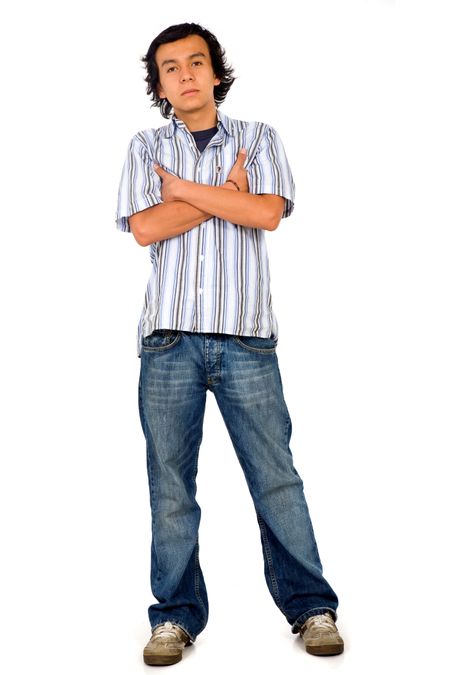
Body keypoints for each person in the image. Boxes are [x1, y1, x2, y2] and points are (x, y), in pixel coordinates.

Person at [115, 21, 344, 667]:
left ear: (216, 72)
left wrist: (185, 190)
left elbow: (268, 213)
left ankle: (311, 606)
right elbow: (145, 227)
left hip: (246, 339)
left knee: (277, 478)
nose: (185, 74)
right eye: (170, 67)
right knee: (170, 485)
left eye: (196, 62)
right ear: (158, 83)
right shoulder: (144, 146)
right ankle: (174, 616)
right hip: (168, 341)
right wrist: (226, 196)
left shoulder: (259, 138)